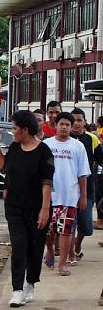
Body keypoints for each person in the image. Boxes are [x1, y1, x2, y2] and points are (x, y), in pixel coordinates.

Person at [0, 110, 54, 307]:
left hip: (37, 208)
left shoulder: (44, 152)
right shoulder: (15, 148)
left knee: (35, 248)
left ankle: (30, 284)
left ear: (25, 130)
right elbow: (3, 166)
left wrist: (45, 209)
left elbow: (47, 183)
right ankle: (16, 290)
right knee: (19, 246)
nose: (13, 131)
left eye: (15, 128)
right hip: (14, 207)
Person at [43, 112, 89, 276]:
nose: (64, 127)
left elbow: (82, 173)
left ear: (71, 127)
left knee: (66, 231)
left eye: (67, 125)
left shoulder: (78, 146)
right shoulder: (46, 145)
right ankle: (49, 250)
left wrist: (83, 196)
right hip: (49, 197)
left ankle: (62, 264)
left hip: (69, 196)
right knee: (49, 231)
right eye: (61, 124)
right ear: (55, 126)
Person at [69, 108, 102, 263]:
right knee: (69, 224)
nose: (76, 124)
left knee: (86, 225)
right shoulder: (63, 138)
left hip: (87, 188)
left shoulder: (91, 139)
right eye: (73, 120)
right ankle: (68, 252)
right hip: (66, 189)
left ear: (84, 122)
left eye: (79, 120)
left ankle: (77, 244)